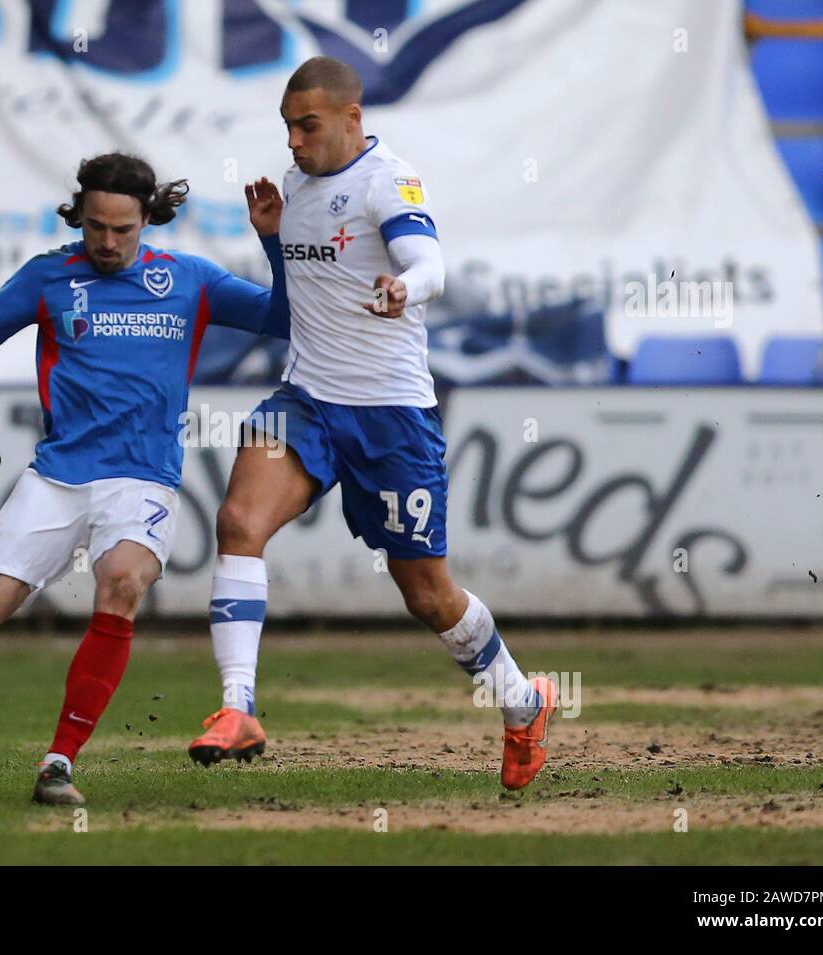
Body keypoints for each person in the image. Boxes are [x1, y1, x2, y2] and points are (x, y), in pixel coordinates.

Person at [0, 153, 289, 805]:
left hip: (143, 480)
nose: (108, 243)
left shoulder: (191, 281)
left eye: (122, 229)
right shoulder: (49, 278)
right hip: (57, 476)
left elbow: (283, 317)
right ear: (78, 216)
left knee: (121, 581)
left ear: (148, 218)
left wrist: (273, 242)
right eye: (95, 228)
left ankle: (58, 762)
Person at [187, 57, 557, 790]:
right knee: (238, 521)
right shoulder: (293, 188)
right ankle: (238, 709)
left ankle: (523, 702)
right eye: (287, 127)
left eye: (307, 125)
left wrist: (404, 287)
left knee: (426, 594)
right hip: (309, 401)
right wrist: (271, 239)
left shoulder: (389, 179)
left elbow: (432, 265)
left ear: (352, 119)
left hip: (390, 417)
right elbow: (294, 306)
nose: (293, 141)